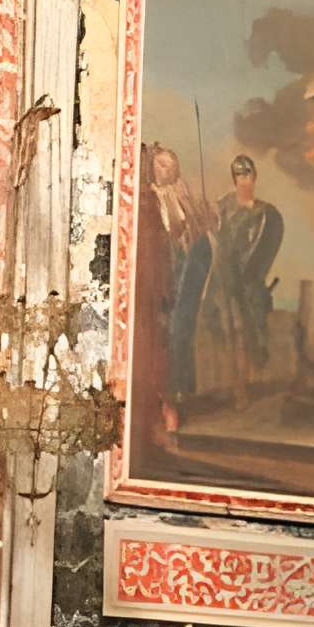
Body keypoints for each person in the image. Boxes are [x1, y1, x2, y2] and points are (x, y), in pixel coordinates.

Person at [133, 143, 213, 431]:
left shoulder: (182, 194)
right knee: (163, 332)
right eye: (160, 164)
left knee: (181, 330)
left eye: (169, 165)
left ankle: (178, 395)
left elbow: (194, 231)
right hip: (162, 272)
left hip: (185, 270)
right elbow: (166, 233)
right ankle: (163, 402)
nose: (165, 169)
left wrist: (202, 220)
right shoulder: (150, 199)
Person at [195, 154, 286, 404]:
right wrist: (209, 221)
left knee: (243, 330)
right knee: (225, 328)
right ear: (234, 179)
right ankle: (230, 386)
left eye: (247, 174)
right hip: (222, 277)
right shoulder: (223, 205)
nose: (243, 180)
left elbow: (259, 250)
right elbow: (214, 234)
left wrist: (248, 275)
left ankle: (242, 387)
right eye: (238, 175)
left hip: (245, 282)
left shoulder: (263, 213)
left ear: (254, 177)